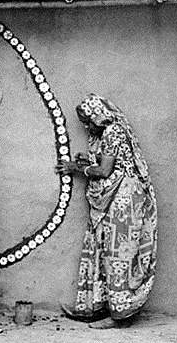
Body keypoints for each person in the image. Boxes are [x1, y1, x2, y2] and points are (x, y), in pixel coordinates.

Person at [55, 94, 158, 329]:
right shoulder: (116, 130)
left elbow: (104, 171)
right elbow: (116, 160)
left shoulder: (112, 132)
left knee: (117, 255)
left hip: (124, 199)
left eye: (89, 121)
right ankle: (101, 307)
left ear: (98, 115)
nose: (87, 127)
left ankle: (120, 314)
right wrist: (90, 158)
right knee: (108, 251)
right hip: (123, 196)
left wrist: (75, 168)